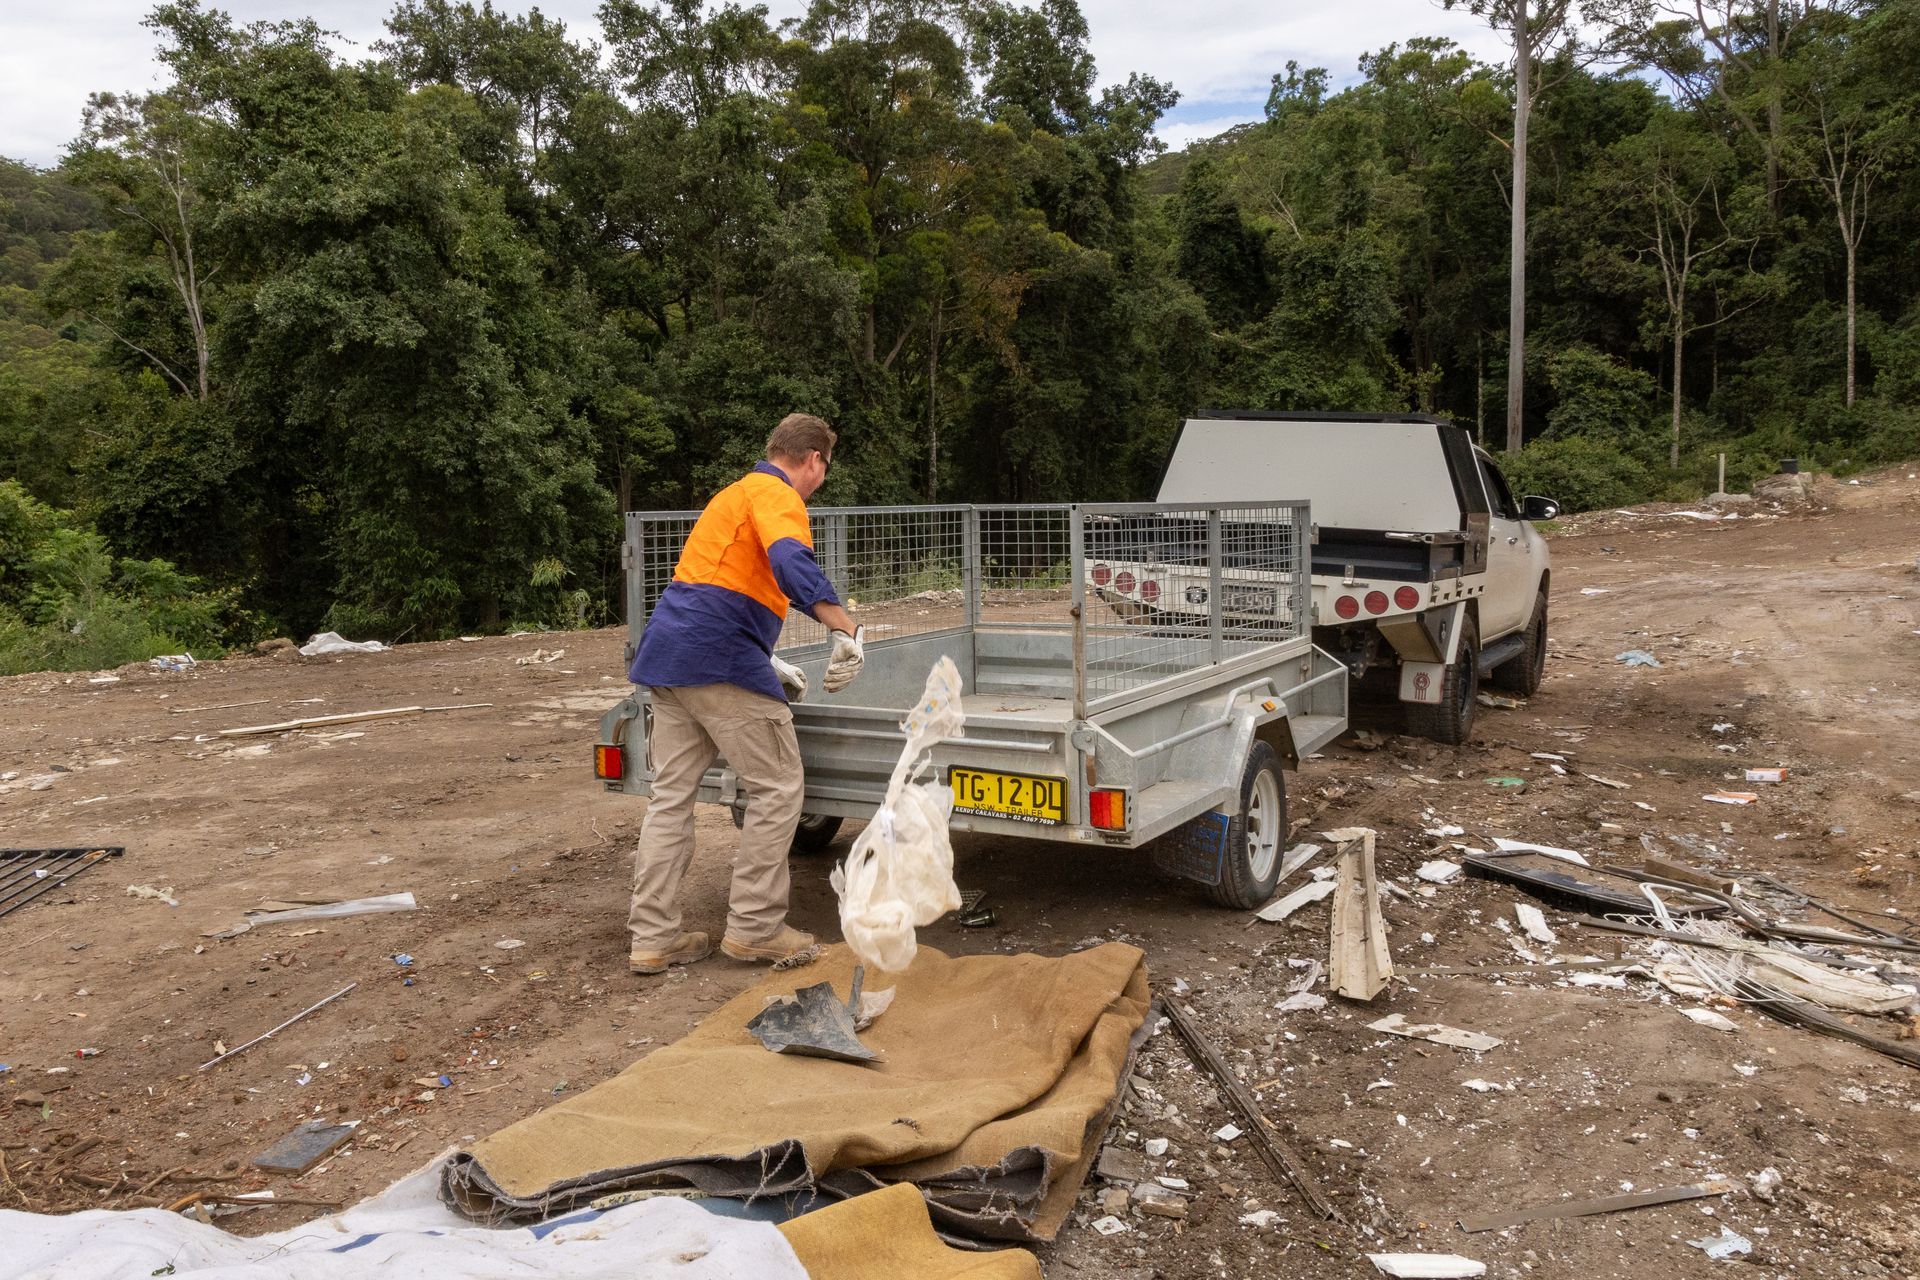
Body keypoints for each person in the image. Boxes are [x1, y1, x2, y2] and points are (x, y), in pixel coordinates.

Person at [624, 413, 866, 975]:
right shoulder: (777, 495)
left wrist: (767, 655)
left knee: (670, 798)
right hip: (720, 657)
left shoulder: (731, 496)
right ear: (813, 460)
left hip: (670, 656)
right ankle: (755, 929)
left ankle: (653, 939)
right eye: (823, 469)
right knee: (779, 787)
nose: (819, 479)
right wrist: (843, 626)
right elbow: (790, 563)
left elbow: (718, 584)